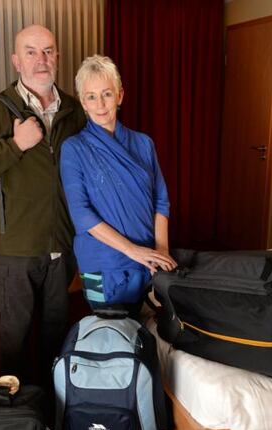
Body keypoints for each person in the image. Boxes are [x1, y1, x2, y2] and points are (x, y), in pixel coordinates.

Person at [0, 25, 86, 382]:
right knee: (14, 339)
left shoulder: (75, 110)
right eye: (31, 52)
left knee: (56, 336)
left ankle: (52, 405)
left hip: (62, 246)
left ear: (57, 56)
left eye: (48, 51)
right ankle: (15, 407)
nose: (41, 59)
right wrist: (15, 145)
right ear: (16, 61)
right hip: (14, 252)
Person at [60, 55, 177, 316]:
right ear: (83, 102)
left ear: (120, 96)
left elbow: (161, 201)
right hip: (101, 263)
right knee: (109, 330)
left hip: (148, 260)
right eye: (91, 97)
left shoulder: (144, 143)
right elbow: (81, 214)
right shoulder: (74, 149)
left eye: (107, 94)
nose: (100, 104)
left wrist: (161, 250)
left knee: (147, 328)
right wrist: (133, 251)